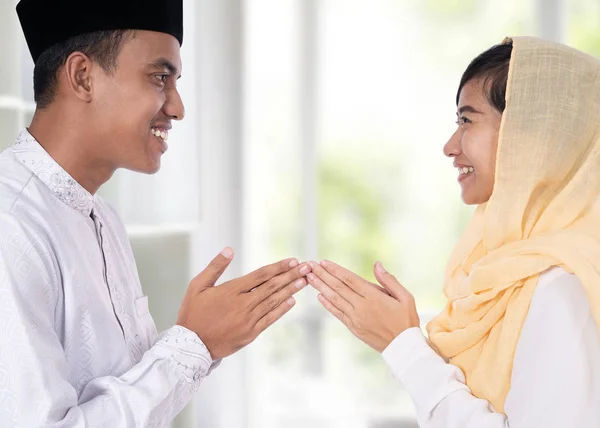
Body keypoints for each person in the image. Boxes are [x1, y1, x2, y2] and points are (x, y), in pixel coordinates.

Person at [0, 0, 311, 426]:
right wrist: (194, 344)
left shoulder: (103, 219)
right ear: (82, 76)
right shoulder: (10, 223)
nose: (177, 107)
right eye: (160, 77)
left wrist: (206, 337)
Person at [308, 36, 600, 427]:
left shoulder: (565, 285)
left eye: (467, 120)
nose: (450, 146)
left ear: (529, 134)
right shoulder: (501, 267)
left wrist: (404, 346)